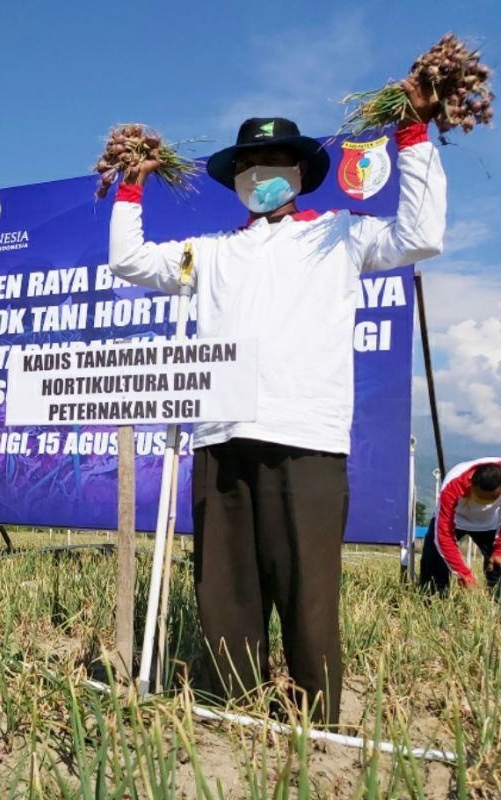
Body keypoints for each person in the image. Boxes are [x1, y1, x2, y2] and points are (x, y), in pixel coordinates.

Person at [108, 83, 445, 724]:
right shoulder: (206, 253)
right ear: (235, 179)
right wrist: (130, 185)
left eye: (275, 163)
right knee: (226, 589)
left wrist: (413, 138)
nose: (260, 174)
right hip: (219, 433)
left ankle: (316, 723)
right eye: (246, 167)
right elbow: (127, 261)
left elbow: (421, 234)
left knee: (307, 593)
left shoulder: (340, 237)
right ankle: (233, 712)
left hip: (307, 435)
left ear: (300, 174)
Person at [419, 459, 501, 593]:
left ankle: (495, 598)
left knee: (498, 566)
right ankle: (434, 598)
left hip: (490, 522)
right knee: (433, 559)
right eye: (480, 498)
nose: (485, 504)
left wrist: (499, 550)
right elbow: (443, 534)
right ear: (471, 484)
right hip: (456, 519)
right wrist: (462, 572)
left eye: (492, 499)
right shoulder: (453, 484)